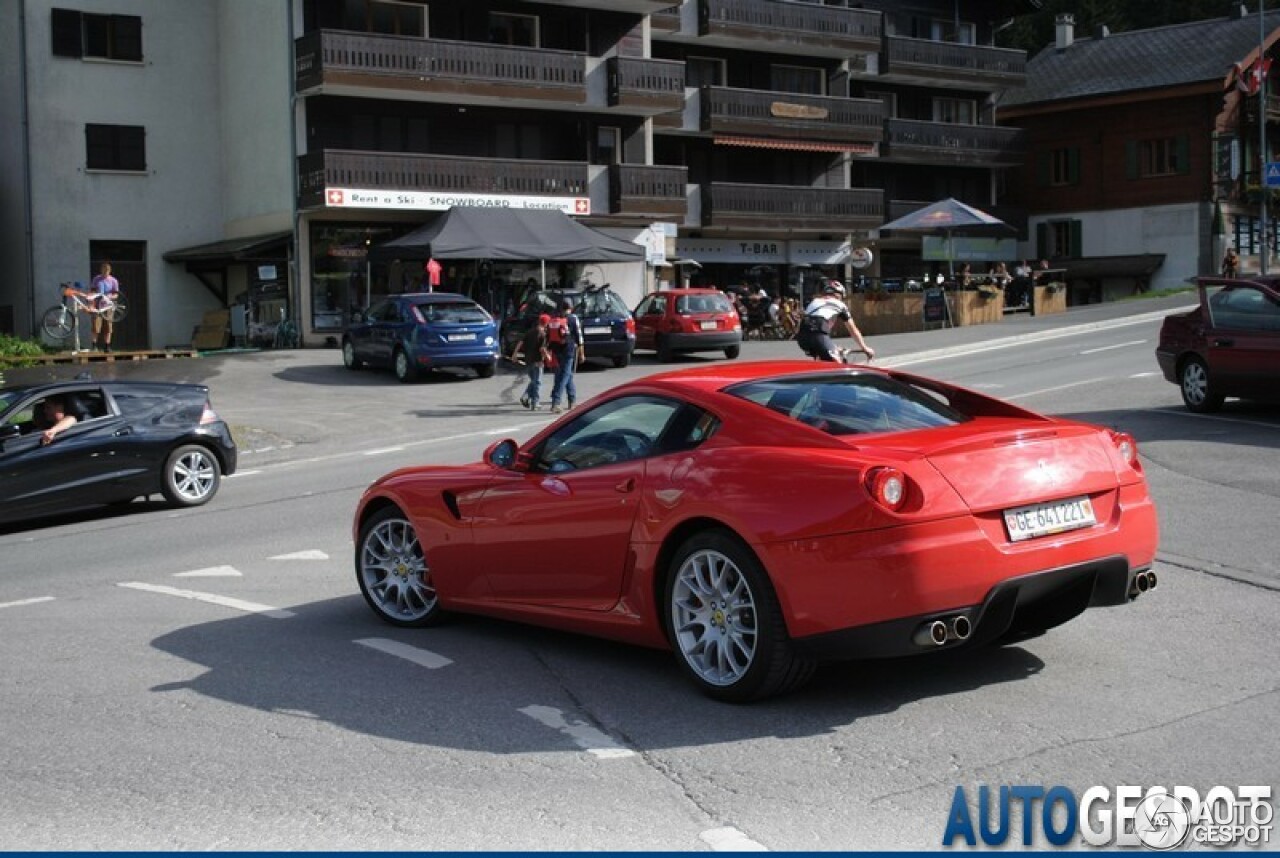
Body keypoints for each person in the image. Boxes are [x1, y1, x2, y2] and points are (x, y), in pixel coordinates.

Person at [796, 280, 875, 363]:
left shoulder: (814, 302)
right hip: (818, 332)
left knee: (822, 361)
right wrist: (865, 348)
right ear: (838, 295)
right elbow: (853, 330)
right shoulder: (839, 304)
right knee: (836, 365)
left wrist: (833, 347)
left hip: (802, 336)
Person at [547, 298, 583, 413]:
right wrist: (582, 352)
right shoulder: (573, 318)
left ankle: (572, 400)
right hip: (568, 351)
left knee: (567, 375)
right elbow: (579, 336)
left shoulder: (554, 318)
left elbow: (549, 336)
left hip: (556, 350)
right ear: (570, 307)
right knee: (565, 375)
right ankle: (556, 402)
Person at [510, 313, 551, 410]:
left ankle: (526, 397)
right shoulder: (543, 334)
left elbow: (520, 342)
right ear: (546, 323)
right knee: (537, 382)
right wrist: (548, 357)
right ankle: (535, 403)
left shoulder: (530, 332)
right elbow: (542, 349)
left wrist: (514, 354)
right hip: (538, 361)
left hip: (528, 360)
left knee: (534, 381)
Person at [89, 262, 121, 352]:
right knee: (96, 325)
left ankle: (107, 346)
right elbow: (92, 291)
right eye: (103, 271)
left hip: (108, 306)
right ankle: (94, 346)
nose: (104, 273)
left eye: (106, 271)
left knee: (108, 326)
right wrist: (91, 303)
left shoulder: (113, 281)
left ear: (109, 271)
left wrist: (110, 297)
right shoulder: (96, 279)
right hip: (97, 305)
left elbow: (116, 294)